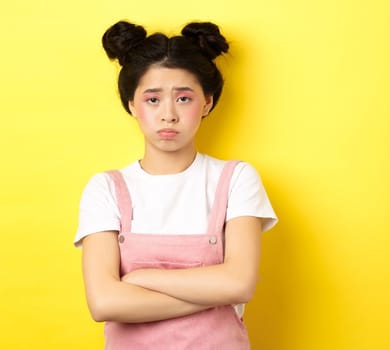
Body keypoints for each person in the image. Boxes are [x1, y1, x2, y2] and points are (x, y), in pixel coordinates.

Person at [74, 20, 277, 349]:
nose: (168, 114)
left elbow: (240, 284)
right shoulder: (106, 188)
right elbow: (104, 304)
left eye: (184, 98)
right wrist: (213, 293)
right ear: (131, 105)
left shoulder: (236, 178)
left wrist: (142, 279)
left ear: (207, 103)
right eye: (152, 100)